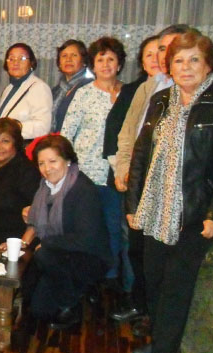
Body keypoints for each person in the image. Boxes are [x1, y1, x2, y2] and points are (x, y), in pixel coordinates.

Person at [126, 31, 213, 353]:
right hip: (155, 207)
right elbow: (140, 155)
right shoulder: (161, 100)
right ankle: (160, 342)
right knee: (154, 280)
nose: (186, 66)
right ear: (169, 66)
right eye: (179, 60)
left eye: (194, 59)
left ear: (208, 64)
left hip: (195, 211)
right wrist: (133, 204)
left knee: (176, 286)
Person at [113, 25, 195, 338]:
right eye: (161, 48)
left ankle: (154, 319)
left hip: (170, 191)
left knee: (158, 258)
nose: (164, 54)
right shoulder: (150, 87)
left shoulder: (191, 92)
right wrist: (123, 168)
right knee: (136, 250)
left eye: (172, 48)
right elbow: (128, 133)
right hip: (138, 181)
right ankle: (141, 306)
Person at [11, 135, 110, 330]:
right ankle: (69, 289)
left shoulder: (83, 189)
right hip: (58, 253)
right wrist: (20, 246)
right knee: (36, 308)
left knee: (43, 256)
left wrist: (48, 243)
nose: (47, 168)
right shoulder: (45, 187)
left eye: (53, 161)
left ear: (68, 160)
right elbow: (35, 224)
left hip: (88, 256)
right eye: (41, 163)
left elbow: (86, 240)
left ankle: (71, 304)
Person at [103, 35, 160, 324]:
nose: (155, 58)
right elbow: (118, 131)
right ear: (141, 62)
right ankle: (132, 294)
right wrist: (120, 169)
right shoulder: (136, 90)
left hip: (159, 180)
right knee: (130, 239)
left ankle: (147, 303)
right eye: (149, 54)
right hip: (131, 176)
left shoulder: (178, 91)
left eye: (161, 52)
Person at [61, 36, 126, 288]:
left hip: (116, 175)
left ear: (119, 64)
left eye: (111, 59)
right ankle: (83, 279)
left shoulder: (130, 94)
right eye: (100, 59)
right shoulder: (83, 93)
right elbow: (67, 134)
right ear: (93, 64)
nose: (106, 64)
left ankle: (109, 281)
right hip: (85, 173)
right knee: (85, 229)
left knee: (112, 228)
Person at [0, 118, 40, 245]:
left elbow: (39, 215)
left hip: (18, 244)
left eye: (5, 141)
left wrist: (20, 244)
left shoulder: (27, 171)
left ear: (16, 143)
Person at [0, 43, 52, 142]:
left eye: (22, 58)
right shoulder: (9, 88)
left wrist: (12, 129)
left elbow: (43, 127)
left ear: (31, 63)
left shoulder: (39, 87)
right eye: (11, 59)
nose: (15, 63)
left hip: (22, 146)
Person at [50, 40, 93, 132]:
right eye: (64, 56)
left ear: (84, 61)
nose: (68, 59)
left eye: (74, 55)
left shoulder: (90, 87)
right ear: (59, 63)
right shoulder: (55, 91)